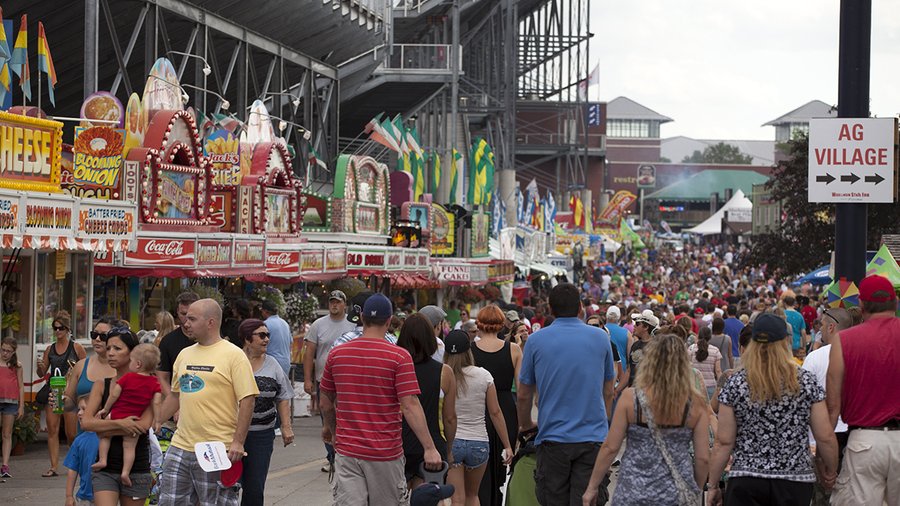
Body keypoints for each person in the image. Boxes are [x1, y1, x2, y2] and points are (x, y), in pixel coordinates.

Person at [319, 293, 441, 505]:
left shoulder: (337, 354)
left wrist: (334, 431)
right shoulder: (399, 357)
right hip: (385, 453)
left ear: (362, 318)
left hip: (348, 451)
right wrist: (429, 448)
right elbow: (410, 405)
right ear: (388, 321)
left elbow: (326, 402)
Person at [707, 313, 838, 506]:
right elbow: (825, 436)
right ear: (785, 342)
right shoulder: (805, 382)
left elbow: (723, 442)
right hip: (794, 481)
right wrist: (830, 469)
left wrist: (712, 485)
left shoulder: (736, 383)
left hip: (746, 479)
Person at [518, 283, 617, 505]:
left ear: (550, 309)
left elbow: (524, 394)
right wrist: (604, 421)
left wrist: (525, 424)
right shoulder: (601, 338)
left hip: (553, 437)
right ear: (581, 308)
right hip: (592, 437)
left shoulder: (535, 341)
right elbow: (609, 389)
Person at [582, 334, 710, 505]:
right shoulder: (696, 404)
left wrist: (592, 487)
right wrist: (696, 489)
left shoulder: (631, 399)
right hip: (676, 493)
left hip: (633, 489)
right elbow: (703, 458)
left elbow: (610, 447)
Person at [156, 299, 259, 506]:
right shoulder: (184, 354)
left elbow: (248, 399)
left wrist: (238, 441)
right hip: (180, 446)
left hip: (216, 448)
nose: (185, 323)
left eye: (192, 319)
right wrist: (153, 422)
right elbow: (176, 396)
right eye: (185, 318)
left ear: (210, 322)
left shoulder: (234, 355)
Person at [826, 275, 900, 506]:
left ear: (861, 304)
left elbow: (833, 406)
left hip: (864, 442)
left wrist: (826, 460)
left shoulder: (844, 340)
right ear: (895, 301)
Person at [81, 328, 155, 506]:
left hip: (136, 467)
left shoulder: (149, 384)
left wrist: (104, 426)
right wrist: (121, 424)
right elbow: (86, 422)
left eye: (117, 348)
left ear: (133, 353)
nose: (111, 353)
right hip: (105, 467)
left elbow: (142, 425)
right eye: (108, 349)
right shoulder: (102, 384)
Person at [444, 330, 513, 506]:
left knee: (456, 498)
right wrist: (507, 445)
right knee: (473, 495)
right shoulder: (484, 376)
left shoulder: (443, 375)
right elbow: (495, 412)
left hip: (454, 441)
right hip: (479, 442)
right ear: (469, 351)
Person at [396, 313, 457, 488]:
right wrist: (449, 449)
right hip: (433, 442)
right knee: (427, 497)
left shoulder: (395, 368)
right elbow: (450, 417)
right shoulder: (444, 372)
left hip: (398, 442)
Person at [240, 318, 295, 506]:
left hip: (261, 435)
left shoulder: (273, 364)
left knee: (254, 488)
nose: (267, 340)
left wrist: (286, 427)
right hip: (229, 433)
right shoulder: (233, 361)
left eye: (268, 335)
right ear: (247, 339)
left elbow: (283, 396)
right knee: (226, 485)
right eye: (262, 335)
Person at [801, 307, 852, 506]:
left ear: (831, 327)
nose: (820, 330)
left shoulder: (815, 357)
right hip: (850, 434)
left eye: (822, 325)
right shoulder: (856, 354)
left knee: (822, 495)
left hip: (820, 435)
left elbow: (803, 397)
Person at [471, 305, 521, 506]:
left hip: (478, 408)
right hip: (506, 407)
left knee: (480, 468)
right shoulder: (514, 349)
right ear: (501, 324)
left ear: (479, 324)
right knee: (503, 464)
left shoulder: (470, 350)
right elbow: (522, 388)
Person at [92, 344, 162, 487]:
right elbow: (157, 403)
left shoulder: (128, 378)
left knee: (105, 435)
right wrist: (158, 421)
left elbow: (114, 395)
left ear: (138, 364)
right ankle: (125, 472)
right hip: (135, 418)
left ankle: (103, 459)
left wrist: (105, 409)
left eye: (131, 361)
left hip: (118, 413)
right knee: (129, 447)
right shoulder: (155, 383)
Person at [303, 290, 355, 473]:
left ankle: (343, 455)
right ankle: (331, 456)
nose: (334, 305)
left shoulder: (352, 324)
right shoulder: (318, 325)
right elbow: (309, 353)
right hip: (323, 380)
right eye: (332, 302)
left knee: (345, 417)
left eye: (338, 302)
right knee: (327, 418)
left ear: (344, 305)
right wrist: (307, 379)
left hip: (347, 381)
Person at [38, 311, 87, 478]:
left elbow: (85, 369)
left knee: (71, 433)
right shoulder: (50, 349)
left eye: (60, 328)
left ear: (67, 329)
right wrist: (39, 366)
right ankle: (53, 466)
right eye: (55, 328)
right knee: (52, 429)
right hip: (54, 390)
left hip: (71, 392)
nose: (57, 331)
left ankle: (75, 463)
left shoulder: (76, 347)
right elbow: (41, 372)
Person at [157, 291, 200, 400]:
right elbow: (162, 377)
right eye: (183, 314)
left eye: (191, 315)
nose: (186, 320)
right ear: (177, 312)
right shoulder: (167, 341)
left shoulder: (210, 340)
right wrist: (174, 403)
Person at [64, 396, 100, 506]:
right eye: (79, 409)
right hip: (84, 497)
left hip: (106, 494)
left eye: (84, 409)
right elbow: (72, 470)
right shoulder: (78, 440)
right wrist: (69, 496)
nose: (79, 413)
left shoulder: (106, 437)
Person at [0, 337, 24, 478]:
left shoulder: (17, 366)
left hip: (11, 402)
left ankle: (5, 465)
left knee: (7, 434)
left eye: (8, 351)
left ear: (13, 352)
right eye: (3, 350)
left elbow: (21, 386)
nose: (5, 353)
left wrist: (21, 406)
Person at [626, 310, 660, 387]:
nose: (634, 326)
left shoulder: (656, 346)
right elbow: (629, 370)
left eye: (637, 324)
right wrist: (617, 389)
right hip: (633, 389)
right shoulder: (635, 345)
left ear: (646, 327)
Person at [259, 299, 292, 377]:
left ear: (265, 311)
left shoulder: (265, 324)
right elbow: (290, 342)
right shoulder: (285, 323)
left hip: (271, 363)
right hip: (285, 363)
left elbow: (259, 343)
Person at [688, 326, 722, 399]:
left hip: (695, 385)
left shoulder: (691, 348)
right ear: (710, 337)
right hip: (711, 386)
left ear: (698, 335)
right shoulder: (715, 350)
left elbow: (688, 367)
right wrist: (721, 386)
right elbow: (718, 371)